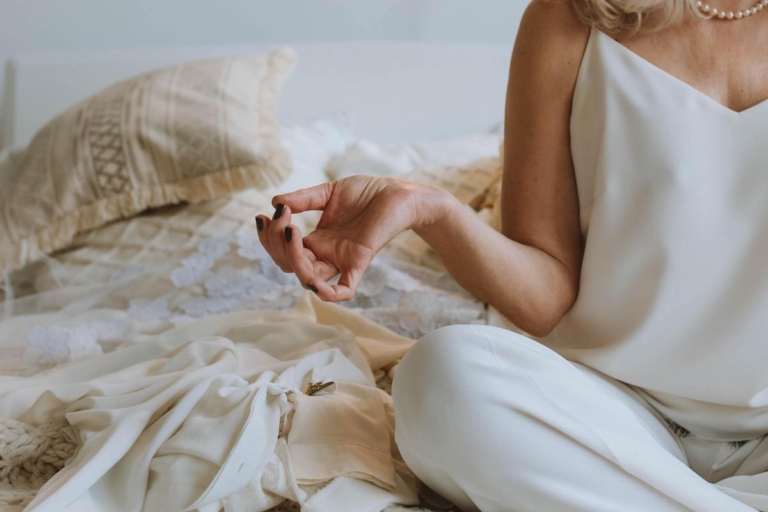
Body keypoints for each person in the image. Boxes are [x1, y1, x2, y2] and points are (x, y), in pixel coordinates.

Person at [255, 0, 768, 509]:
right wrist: (430, 210)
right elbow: (546, 296)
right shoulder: (570, 17)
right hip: (606, 414)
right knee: (442, 381)